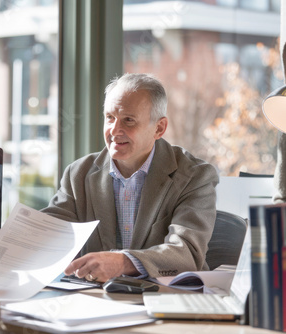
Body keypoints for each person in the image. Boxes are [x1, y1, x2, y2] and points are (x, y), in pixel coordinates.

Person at [41, 73, 219, 282]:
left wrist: (122, 262)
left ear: (159, 128)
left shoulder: (195, 176)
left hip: (165, 300)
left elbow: (187, 253)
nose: (114, 130)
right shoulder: (78, 174)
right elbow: (46, 234)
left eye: (129, 120)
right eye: (110, 118)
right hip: (95, 301)